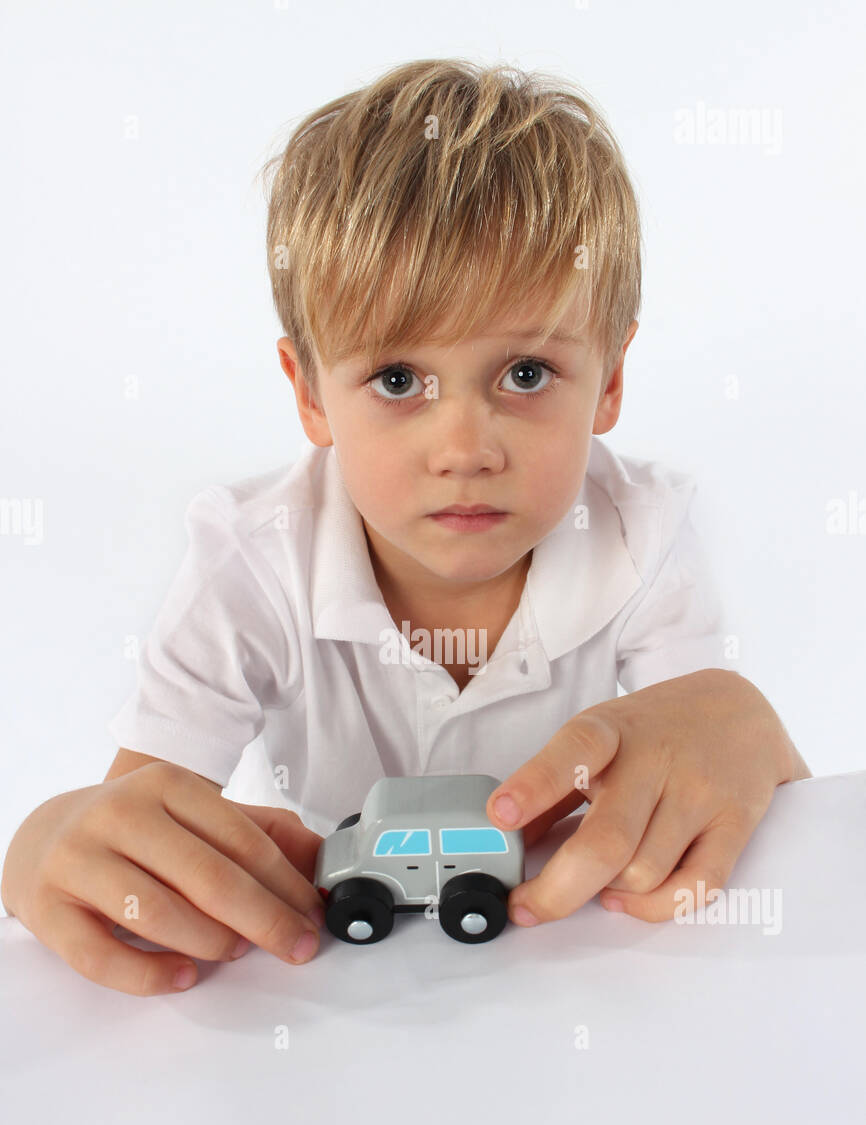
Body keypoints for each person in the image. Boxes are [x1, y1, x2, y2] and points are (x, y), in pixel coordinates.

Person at [0, 58, 810, 995]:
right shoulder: (252, 562)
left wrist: (747, 727)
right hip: (341, 989)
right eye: (396, 380)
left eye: (526, 374)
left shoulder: (641, 532)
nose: (464, 448)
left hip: (565, 978)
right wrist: (40, 848)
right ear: (308, 394)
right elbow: (135, 818)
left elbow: (717, 769)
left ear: (611, 381)